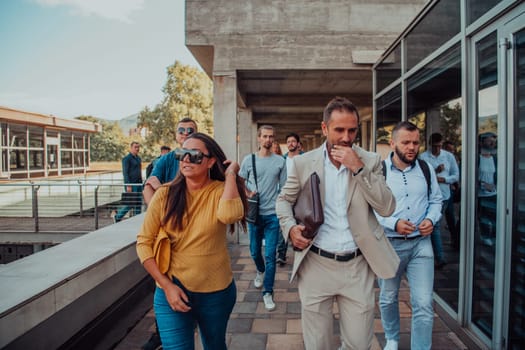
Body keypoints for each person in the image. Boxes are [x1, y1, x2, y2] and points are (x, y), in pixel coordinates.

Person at [275, 97, 399, 350]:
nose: (346, 137)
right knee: (317, 343)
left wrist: (358, 169)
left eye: (351, 130)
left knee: (358, 344)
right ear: (324, 128)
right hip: (316, 264)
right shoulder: (302, 163)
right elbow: (283, 200)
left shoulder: (371, 160)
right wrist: (289, 228)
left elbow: (386, 206)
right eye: (339, 130)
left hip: (357, 266)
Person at [136, 132, 247, 350]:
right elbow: (143, 243)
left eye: (194, 155)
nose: (186, 159)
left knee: (215, 345)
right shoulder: (165, 194)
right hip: (172, 289)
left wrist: (231, 174)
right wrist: (166, 285)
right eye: (182, 154)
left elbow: (230, 215)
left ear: (211, 162)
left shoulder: (219, 191)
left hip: (216, 293)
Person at [376, 121, 443, 350]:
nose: (412, 147)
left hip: (420, 245)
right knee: (387, 298)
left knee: (424, 303)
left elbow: (436, 200)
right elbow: (369, 209)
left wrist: (430, 220)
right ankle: (392, 339)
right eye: (406, 142)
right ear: (393, 143)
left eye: (415, 142)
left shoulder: (426, 169)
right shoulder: (379, 171)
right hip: (388, 246)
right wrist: (393, 223)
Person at [239, 125, 287, 311]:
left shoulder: (279, 162)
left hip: (273, 215)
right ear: (258, 138)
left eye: (271, 137)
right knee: (253, 251)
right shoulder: (248, 160)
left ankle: (268, 292)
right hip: (254, 214)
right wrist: (248, 192)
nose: (268, 140)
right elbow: (240, 182)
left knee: (271, 256)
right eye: (265, 136)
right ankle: (260, 271)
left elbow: (284, 188)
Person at [419, 133, 459, 267]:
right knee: (434, 225)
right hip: (428, 195)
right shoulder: (423, 157)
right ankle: (438, 257)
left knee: (444, 222)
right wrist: (435, 172)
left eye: (439, 146)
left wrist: (444, 179)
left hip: (445, 195)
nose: (437, 149)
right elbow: (420, 176)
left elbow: (456, 175)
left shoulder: (449, 156)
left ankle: (440, 255)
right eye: (435, 146)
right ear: (430, 145)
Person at [143, 118, 198, 205]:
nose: (185, 133)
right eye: (181, 131)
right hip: (172, 206)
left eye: (190, 130)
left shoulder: (205, 155)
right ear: (176, 135)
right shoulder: (166, 159)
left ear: (197, 134)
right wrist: (155, 214)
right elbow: (150, 184)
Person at [276, 132, 302, 267]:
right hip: (286, 196)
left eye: (293, 141)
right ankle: (281, 254)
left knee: (301, 224)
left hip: (301, 197)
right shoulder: (282, 160)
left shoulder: (304, 159)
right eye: (288, 142)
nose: (291, 144)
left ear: (298, 143)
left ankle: (300, 251)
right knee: (284, 225)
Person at [114, 141, 143, 222]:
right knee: (130, 203)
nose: (137, 149)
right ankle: (118, 216)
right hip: (131, 184)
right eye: (135, 147)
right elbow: (125, 173)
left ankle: (137, 219)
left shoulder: (138, 158)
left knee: (138, 203)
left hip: (138, 184)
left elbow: (139, 171)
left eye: (138, 147)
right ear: (131, 148)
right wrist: (128, 185)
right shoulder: (127, 159)